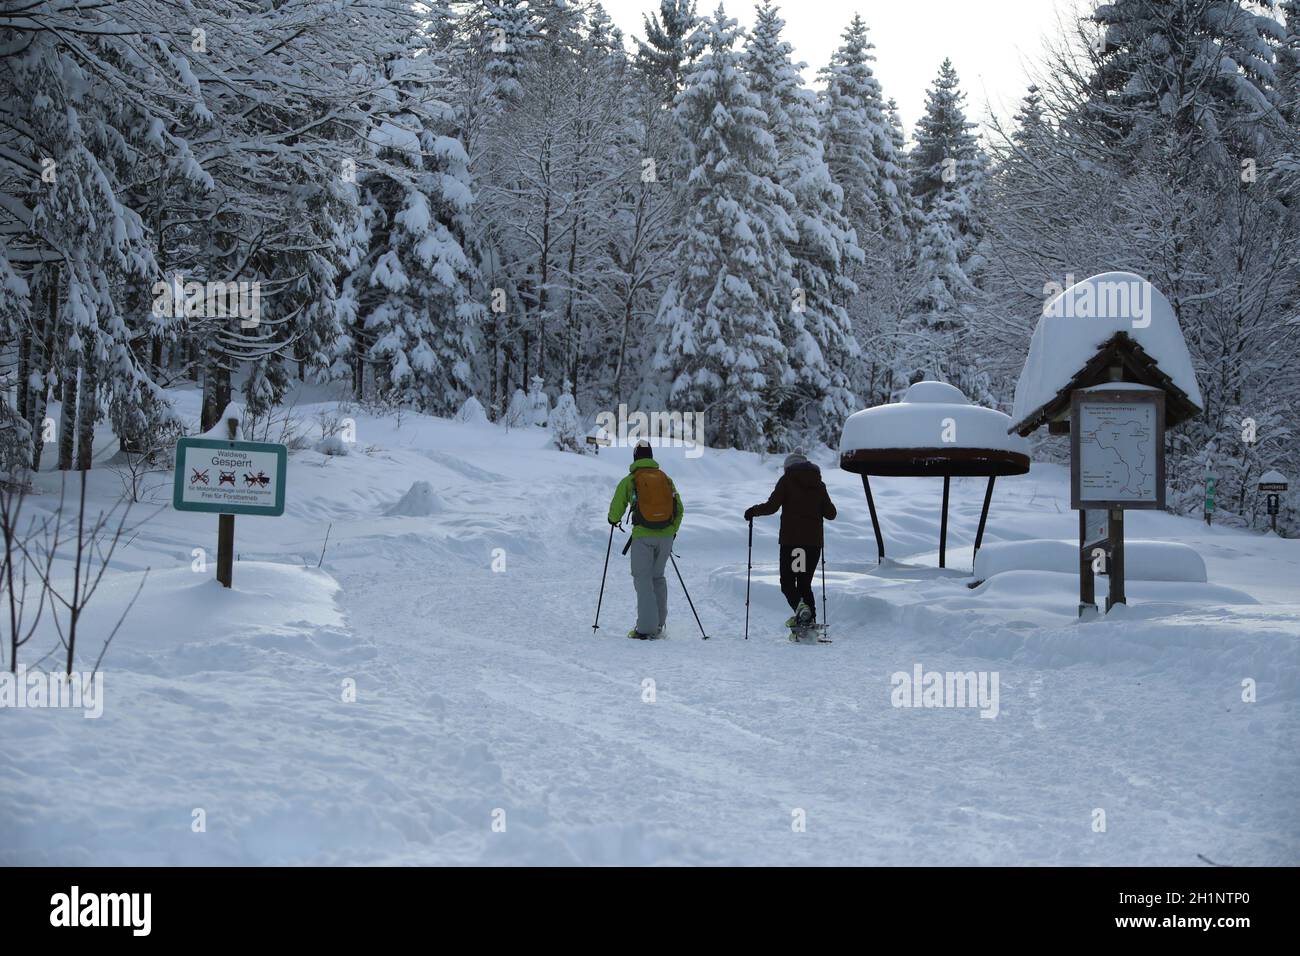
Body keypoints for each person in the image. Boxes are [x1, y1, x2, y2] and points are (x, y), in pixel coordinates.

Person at [744, 452, 836, 628]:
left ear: (789, 467)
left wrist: (753, 511)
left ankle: (802, 612)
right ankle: (809, 619)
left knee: (787, 584)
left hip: (794, 544)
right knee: (804, 584)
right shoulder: (819, 484)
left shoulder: (787, 481)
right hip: (813, 545)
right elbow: (831, 514)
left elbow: (772, 506)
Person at [607, 440, 684, 639]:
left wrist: (613, 519)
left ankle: (646, 629)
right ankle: (658, 625)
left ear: (635, 458)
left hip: (643, 536)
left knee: (643, 580)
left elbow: (617, 506)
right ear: (650, 456)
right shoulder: (665, 479)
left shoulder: (631, 479)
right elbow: (679, 508)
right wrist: (671, 530)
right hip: (665, 536)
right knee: (658, 577)